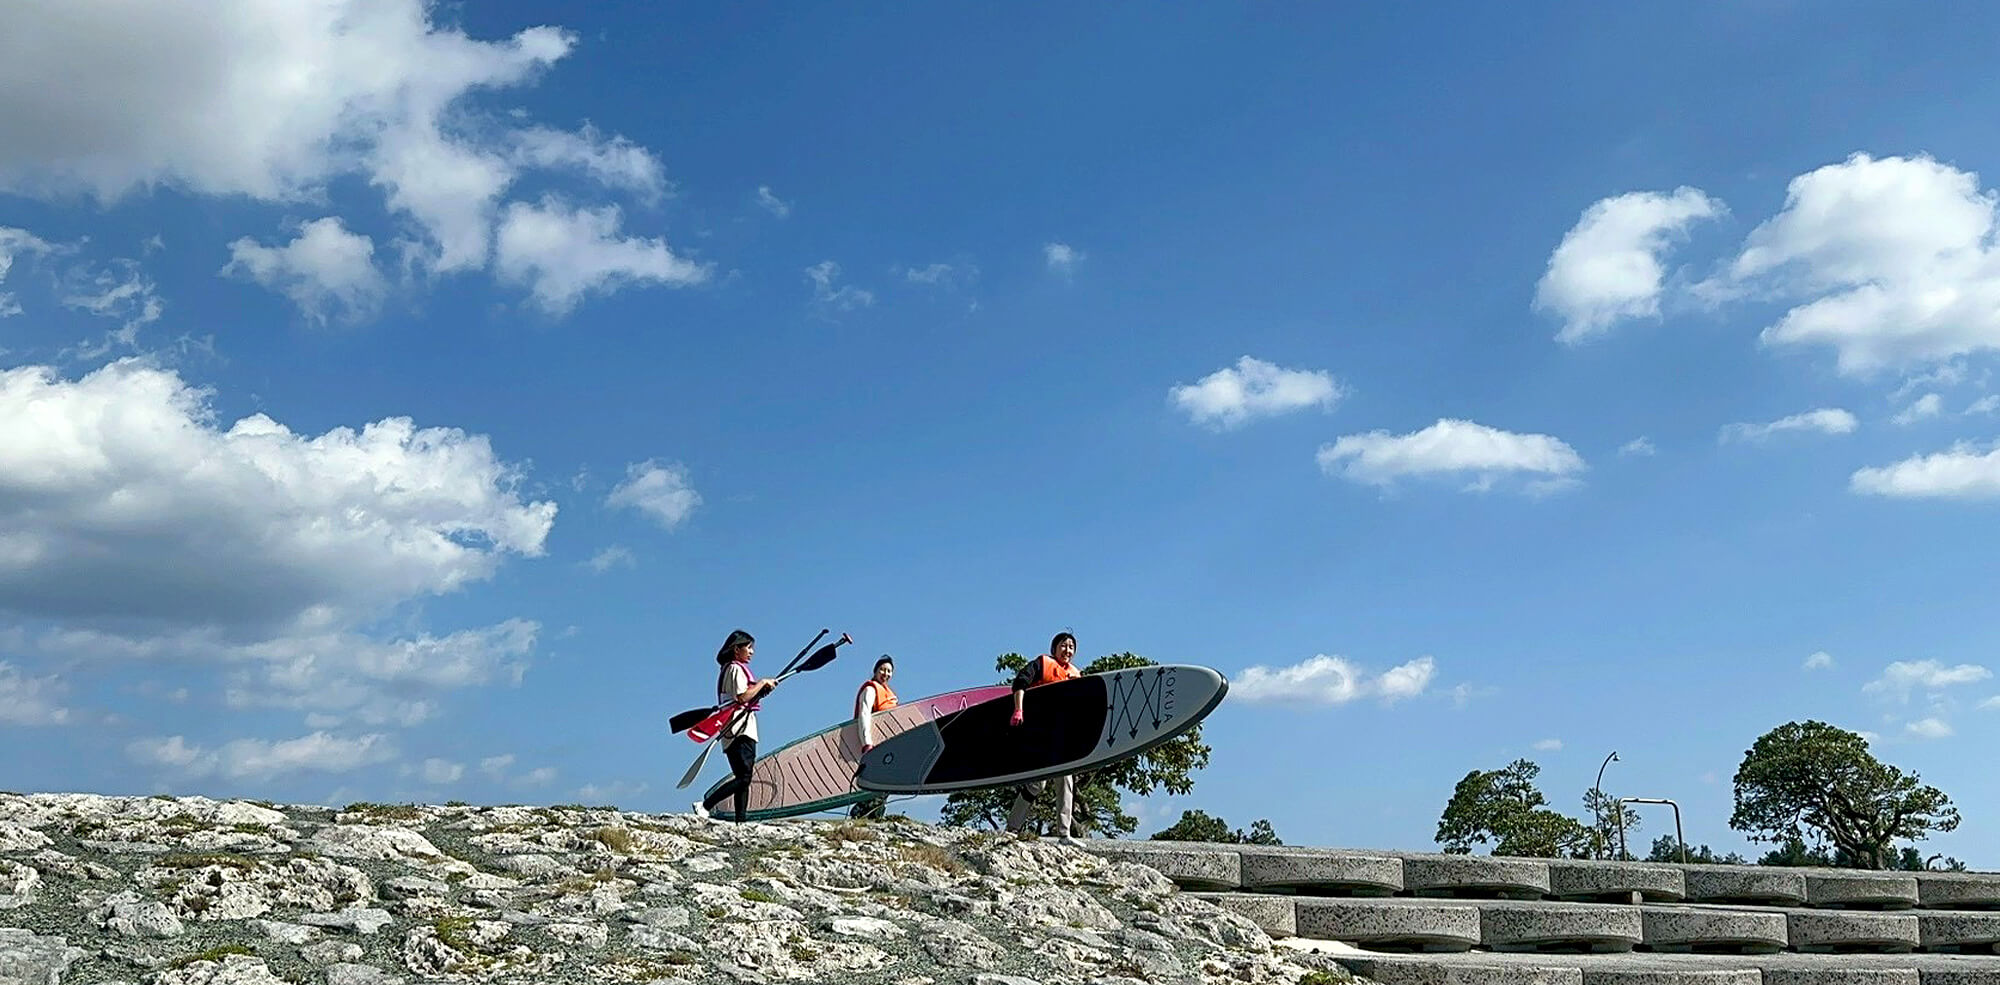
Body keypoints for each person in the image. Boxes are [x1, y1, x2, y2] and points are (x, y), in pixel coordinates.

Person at [1004, 631, 1082, 838]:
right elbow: (1020, 682)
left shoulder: (1076, 674)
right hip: (1039, 735)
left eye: (1071, 647)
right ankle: (1012, 828)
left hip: (1061, 738)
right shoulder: (1042, 664)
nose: (1067, 650)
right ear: (1054, 648)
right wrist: (1018, 710)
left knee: (1066, 780)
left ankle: (1064, 834)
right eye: (1063, 645)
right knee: (1037, 784)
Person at [695, 629, 778, 822]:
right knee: (744, 777)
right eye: (748, 648)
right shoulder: (734, 669)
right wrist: (762, 683)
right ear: (736, 649)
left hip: (735, 728)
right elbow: (741, 697)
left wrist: (760, 690)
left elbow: (746, 696)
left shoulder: (730, 669)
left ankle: (741, 821)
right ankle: (705, 805)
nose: (752, 652)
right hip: (739, 729)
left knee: (743, 777)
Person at [849, 655, 898, 819]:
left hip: (888, 745)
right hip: (873, 746)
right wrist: (867, 743)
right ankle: (859, 816)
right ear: (876, 671)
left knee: (886, 785)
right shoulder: (870, 689)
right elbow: (864, 715)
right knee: (874, 784)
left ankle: (876, 817)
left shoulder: (890, 694)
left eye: (889, 671)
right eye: (882, 670)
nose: (886, 674)